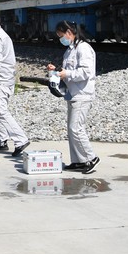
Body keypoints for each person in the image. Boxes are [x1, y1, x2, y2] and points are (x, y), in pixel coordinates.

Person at [46, 20, 100, 174]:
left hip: (83, 94)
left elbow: (85, 72)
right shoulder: (70, 49)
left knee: (76, 128)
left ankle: (90, 158)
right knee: (71, 130)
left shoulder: (83, 48)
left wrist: (66, 73)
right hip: (73, 94)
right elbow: (68, 70)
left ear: (69, 33)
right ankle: (78, 161)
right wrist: (57, 70)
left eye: (61, 36)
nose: (60, 39)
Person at [0, 11, 30, 157]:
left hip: (0, 80)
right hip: (4, 79)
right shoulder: (1, 34)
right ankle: (0, 140)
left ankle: (20, 139)